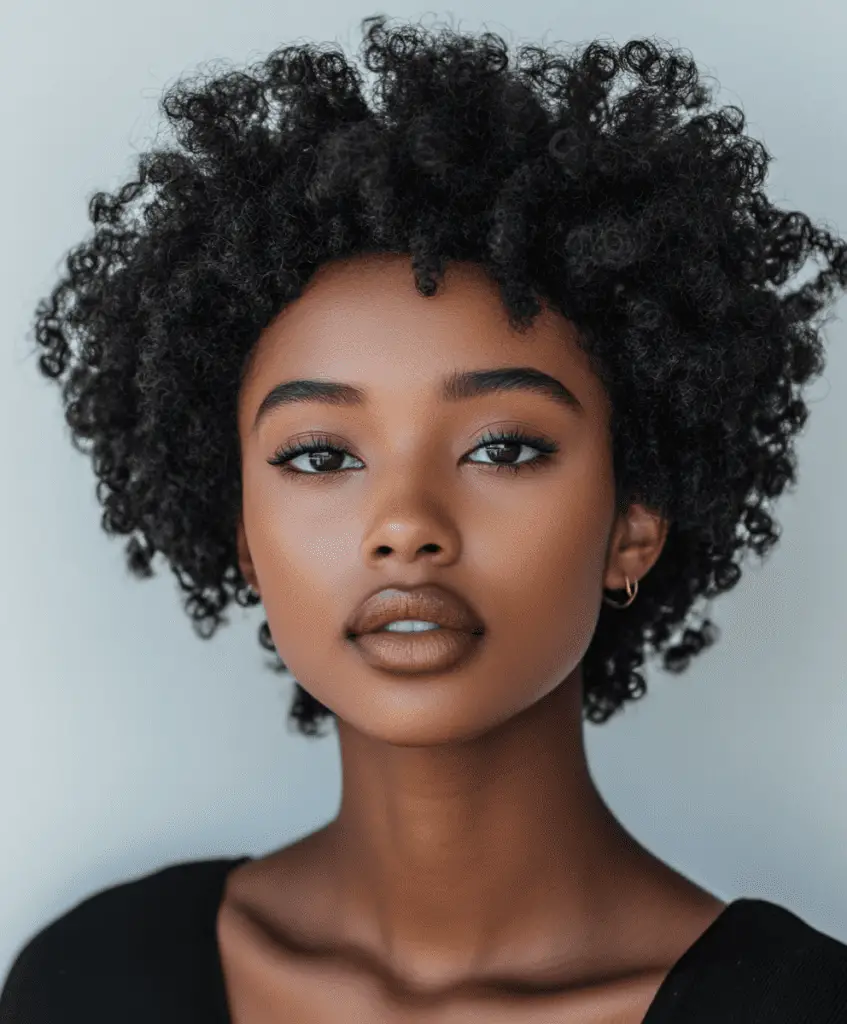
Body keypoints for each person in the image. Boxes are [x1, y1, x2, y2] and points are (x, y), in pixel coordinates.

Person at [3, 13, 847, 1023]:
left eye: (503, 447)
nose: (404, 526)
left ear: (633, 522)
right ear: (242, 538)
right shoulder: (92, 982)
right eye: (320, 455)